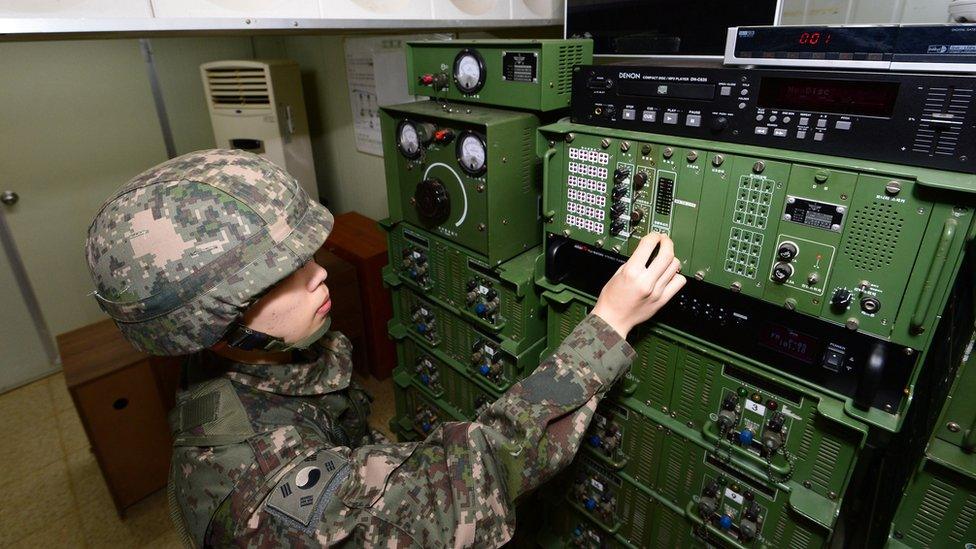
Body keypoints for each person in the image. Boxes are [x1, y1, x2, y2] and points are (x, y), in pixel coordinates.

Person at [85, 149, 685, 548]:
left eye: (304, 258)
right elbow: (469, 483)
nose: (318, 276)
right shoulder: (261, 489)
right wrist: (607, 324)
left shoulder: (244, 360)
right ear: (210, 322)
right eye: (279, 278)